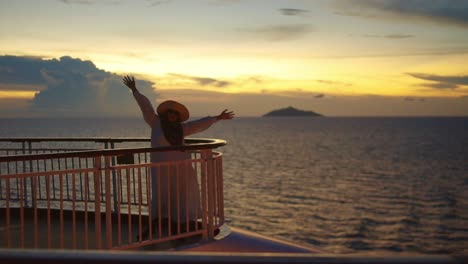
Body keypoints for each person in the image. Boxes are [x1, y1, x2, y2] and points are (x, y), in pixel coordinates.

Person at [122, 75, 234, 238]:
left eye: (175, 113)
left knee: (182, 194)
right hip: (161, 168)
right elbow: (146, 107)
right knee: (161, 194)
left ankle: (181, 225)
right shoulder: (155, 123)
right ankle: (155, 225)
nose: (173, 115)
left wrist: (217, 117)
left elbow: (199, 124)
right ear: (166, 114)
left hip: (181, 167)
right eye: (170, 113)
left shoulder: (181, 128)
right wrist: (135, 90)